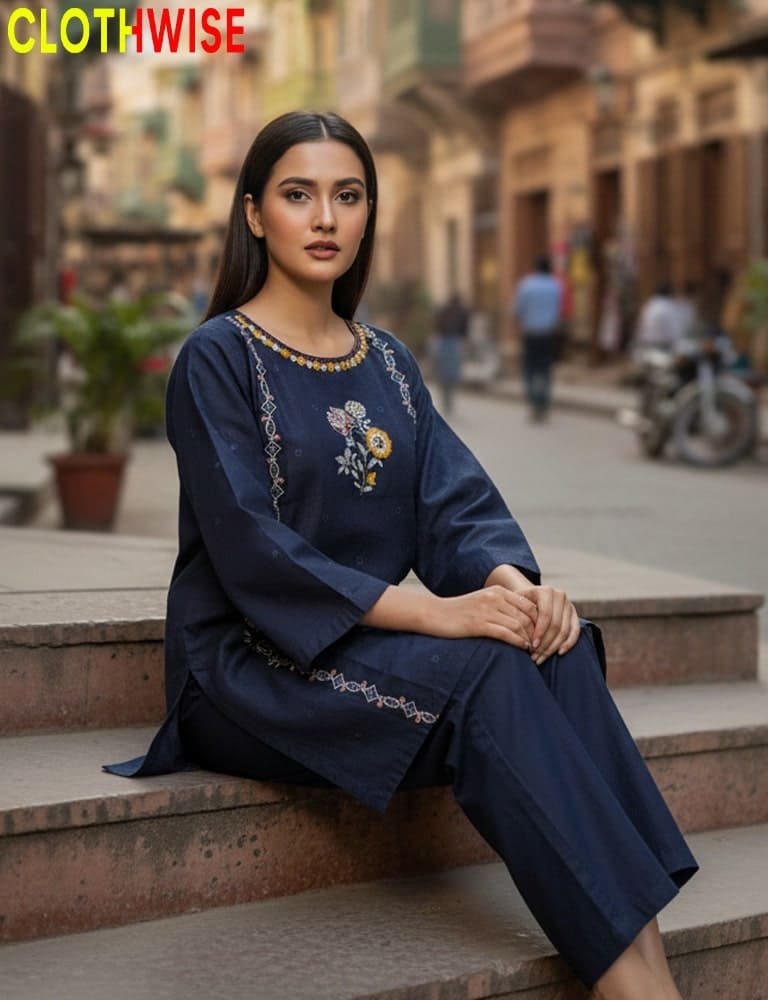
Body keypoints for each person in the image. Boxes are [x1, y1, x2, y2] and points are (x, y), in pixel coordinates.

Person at [105, 111, 696, 999]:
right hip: (247, 666)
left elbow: (452, 506)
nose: (326, 218)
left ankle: (644, 968)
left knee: (553, 646)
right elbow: (252, 548)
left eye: (348, 196)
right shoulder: (216, 358)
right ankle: (638, 990)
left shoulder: (386, 361)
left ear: (369, 214)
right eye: (298, 195)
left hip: (365, 648)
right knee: (486, 677)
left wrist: (510, 587)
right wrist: (441, 612)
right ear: (255, 213)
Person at [512, 256, 563, 421]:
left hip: (531, 333)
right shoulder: (556, 286)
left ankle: (533, 402)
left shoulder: (526, 285)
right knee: (545, 368)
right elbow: (559, 311)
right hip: (548, 333)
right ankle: (544, 402)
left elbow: (517, 310)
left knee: (530, 369)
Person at [432, 291, 470, 415]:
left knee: (447, 374)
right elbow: (465, 331)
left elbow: (437, 326)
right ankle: (448, 400)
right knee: (450, 373)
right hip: (452, 343)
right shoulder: (460, 312)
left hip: (447, 343)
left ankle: (447, 400)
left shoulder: (447, 311)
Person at [634, 281, 686, 353]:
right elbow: (676, 332)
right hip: (662, 347)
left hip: (644, 346)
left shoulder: (649, 304)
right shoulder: (668, 306)